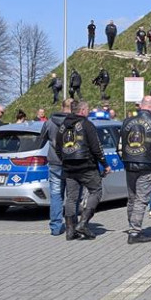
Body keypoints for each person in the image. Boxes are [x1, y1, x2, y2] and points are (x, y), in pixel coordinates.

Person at [56, 100, 110, 241]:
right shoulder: (87, 124)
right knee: (96, 191)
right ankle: (83, 223)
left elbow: (58, 147)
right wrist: (105, 164)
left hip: (69, 167)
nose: (88, 111)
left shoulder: (63, 126)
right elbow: (96, 147)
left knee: (71, 198)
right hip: (86, 166)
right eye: (87, 109)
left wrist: (64, 160)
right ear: (82, 110)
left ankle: (70, 231)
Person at [120, 96, 151, 244]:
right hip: (147, 164)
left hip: (129, 163)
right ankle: (135, 232)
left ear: (141, 105)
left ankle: (132, 226)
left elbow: (120, 145)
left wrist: (124, 159)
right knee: (141, 199)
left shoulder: (127, 121)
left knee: (132, 198)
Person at [37, 98, 72, 236]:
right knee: (72, 195)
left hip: (54, 161)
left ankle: (56, 227)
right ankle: (72, 225)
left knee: (56, 195)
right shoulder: (75, 122)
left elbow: (41, 139)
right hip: (72, 162)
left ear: (62, 107)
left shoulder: (49, 122)